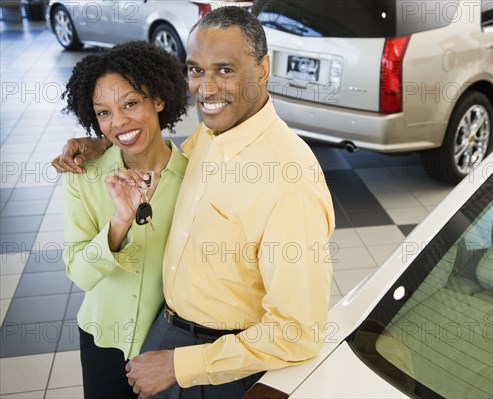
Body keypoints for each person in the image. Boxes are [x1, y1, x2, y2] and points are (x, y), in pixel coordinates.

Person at [53, 7, 335, 399]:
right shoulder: (209, 136)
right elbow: (162, 155)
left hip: (213, 362)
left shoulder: (290, 182)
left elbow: (299, 333)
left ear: (263, 69)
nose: (205, 87)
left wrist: (179, 364)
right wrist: (110, 141)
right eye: (196, 70)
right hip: (164, 334)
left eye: (225, 70)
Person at [60, 41, 189, 399]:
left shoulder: (194, 179)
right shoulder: (82, 177)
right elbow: (80, 274)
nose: (118, 123)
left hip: (169, 348)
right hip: (104, 341)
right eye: (103, 113)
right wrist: (119, 223)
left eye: (130, 104)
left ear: (159, 100)